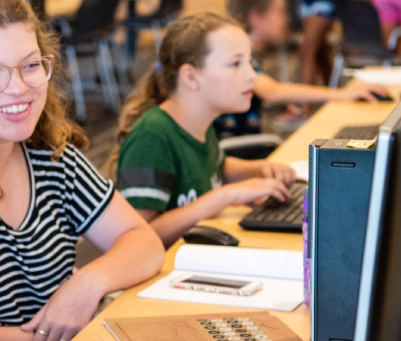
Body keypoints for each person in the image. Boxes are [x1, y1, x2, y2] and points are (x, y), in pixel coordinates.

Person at [0, 1, 166, 340]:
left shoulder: (52, 159)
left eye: (30, 65)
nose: (18, 87)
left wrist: (86, 284)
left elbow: (144, 242)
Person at [107, 12, 296, 249]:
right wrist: (224, 196)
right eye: (236, 64)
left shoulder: (199, 121)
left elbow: (211, 167)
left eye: (250, 62)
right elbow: (138, 238)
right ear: (191, 76)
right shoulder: (152, 135)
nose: (251, 76)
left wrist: (259, 169)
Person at [215, 0, 392, 138]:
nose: (288, 20)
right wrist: (343, 94)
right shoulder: (239, 53)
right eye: (282, 12)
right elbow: (271, 91)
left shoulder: (239, 50)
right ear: (257, 17)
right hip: (241, 155)